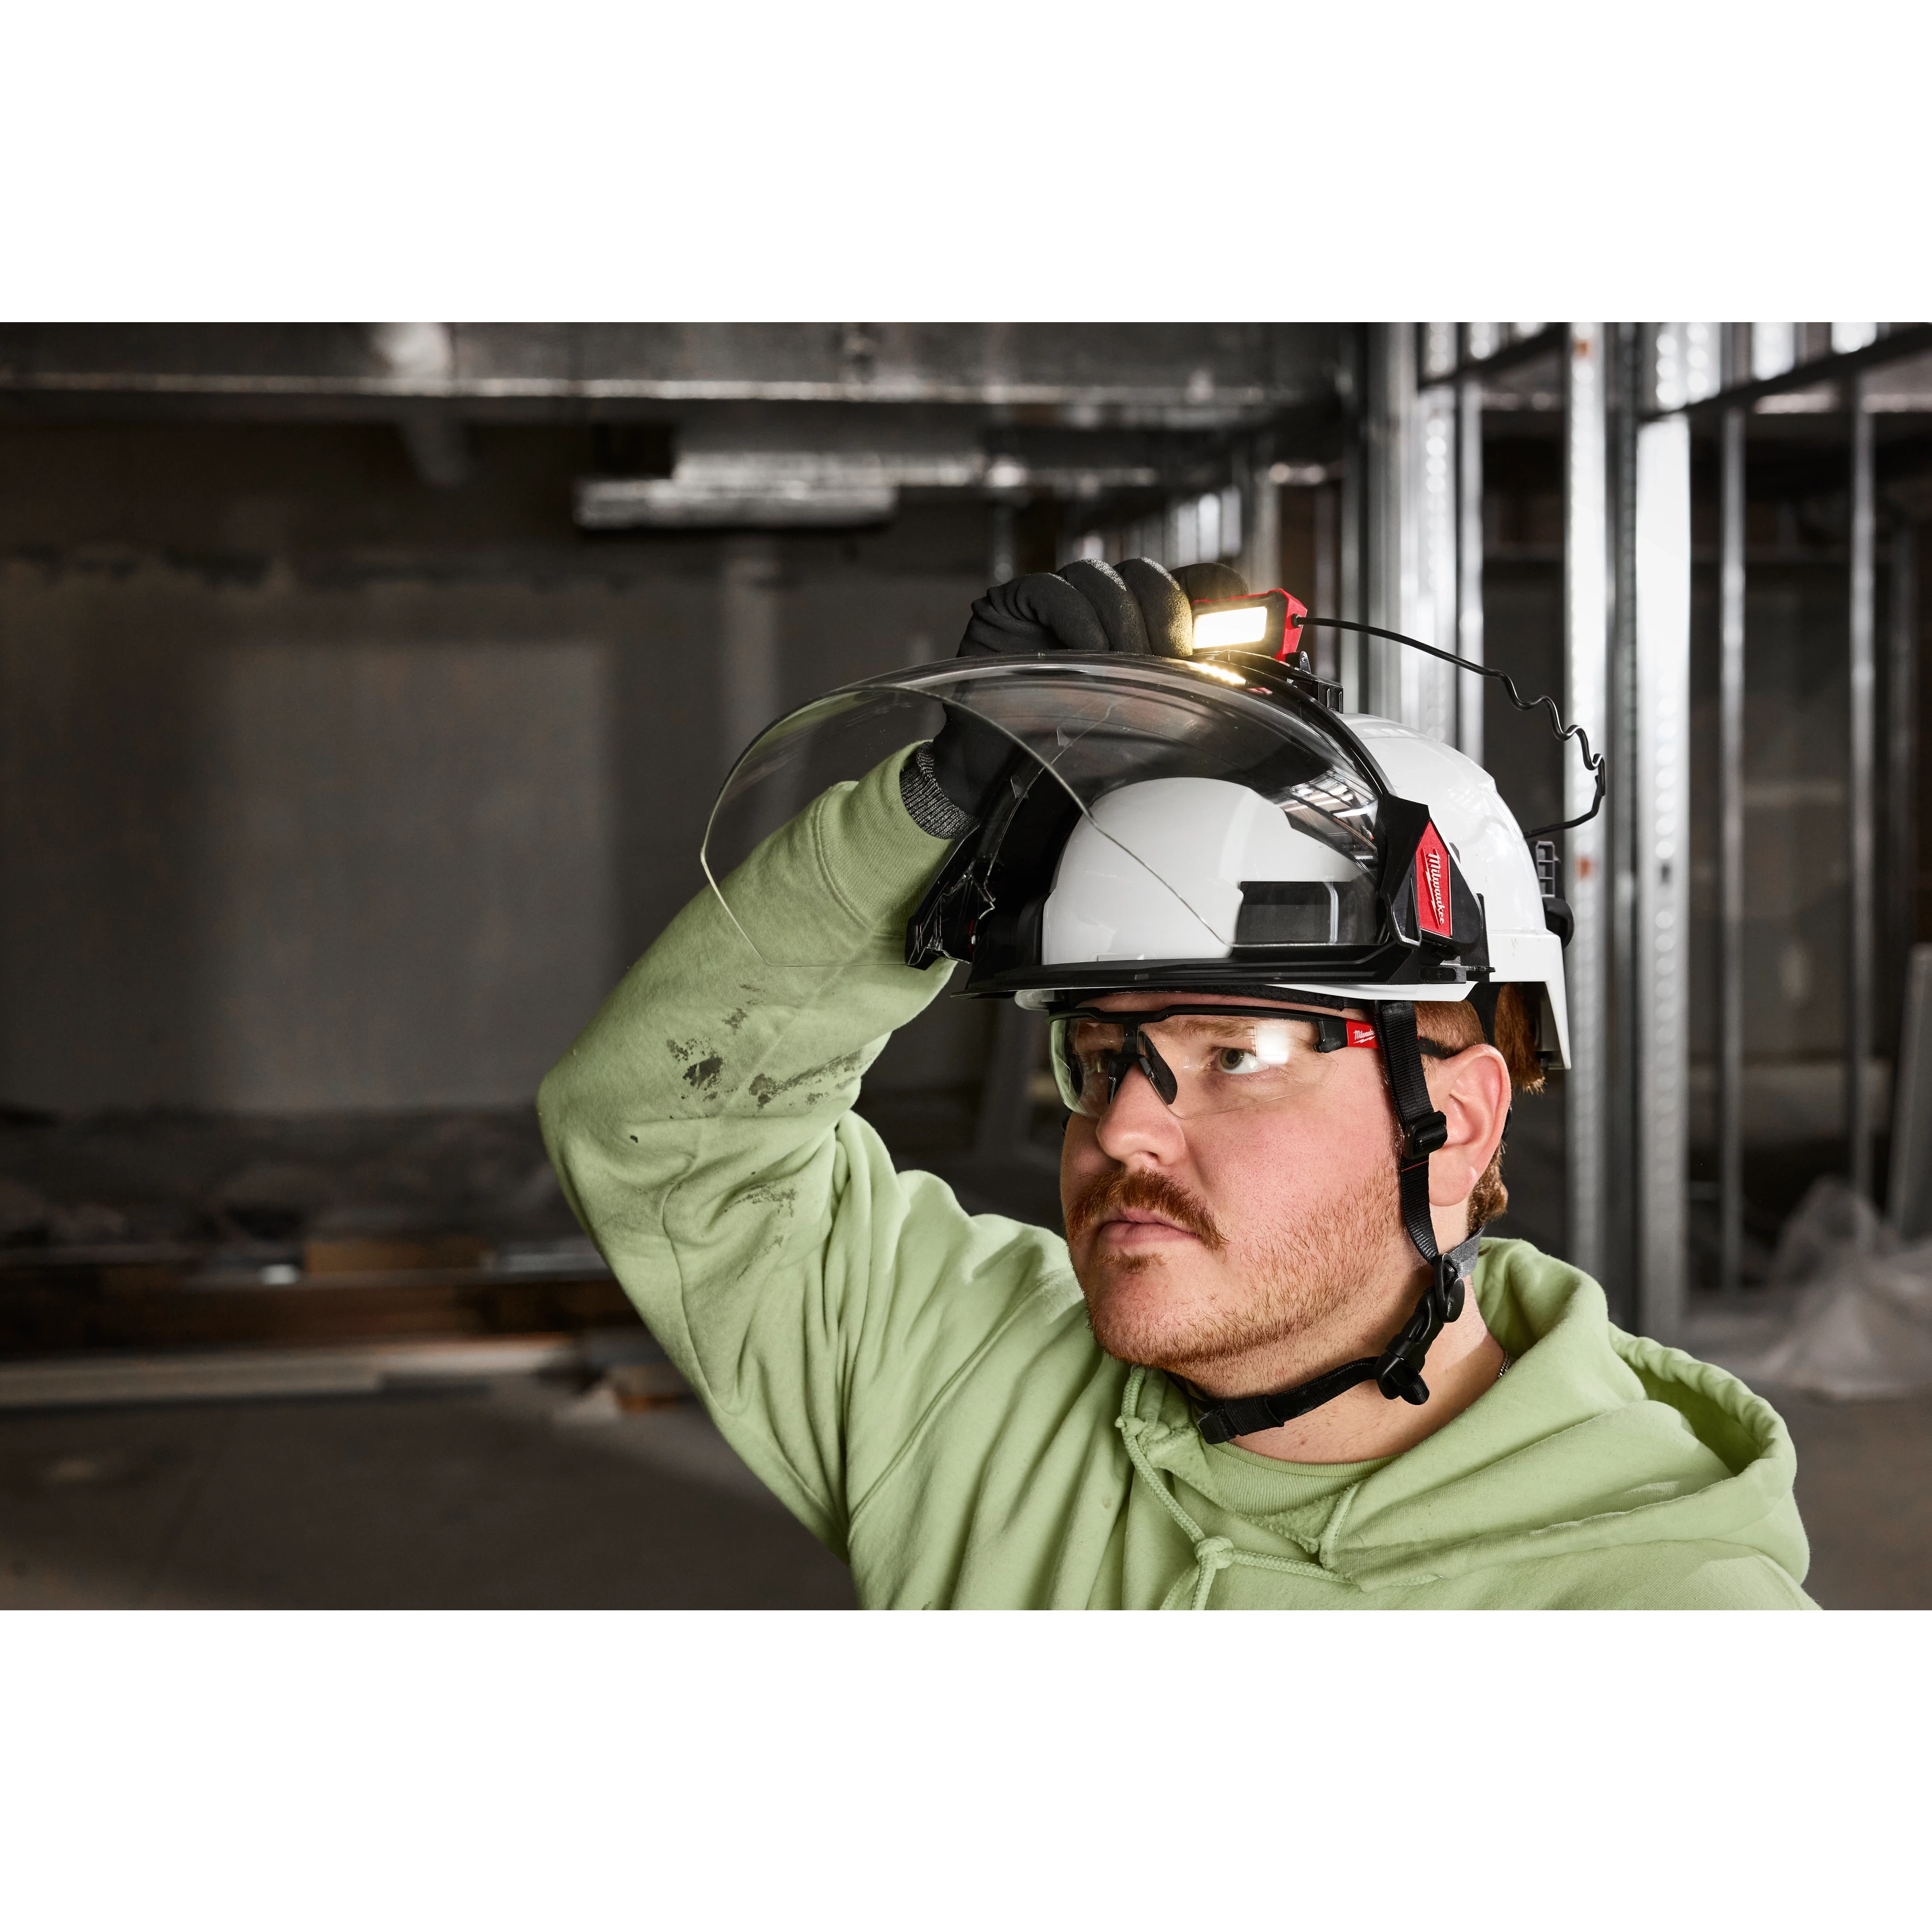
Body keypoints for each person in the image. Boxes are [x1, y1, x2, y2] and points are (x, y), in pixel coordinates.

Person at [540, 557, 1813, 1610]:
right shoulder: (974, 1387)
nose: (1122, 1127)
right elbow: (666, 1133)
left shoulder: (1661, 1589)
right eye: (1103, 1060)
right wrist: (939, 807)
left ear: (1457, 1124)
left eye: (1236, 1055)